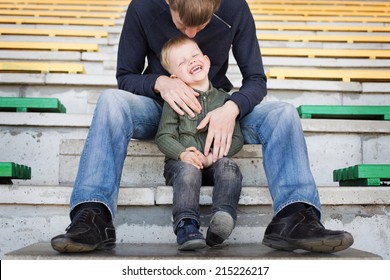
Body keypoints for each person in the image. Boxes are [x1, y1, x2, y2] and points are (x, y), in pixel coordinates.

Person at [51, 0, 354, 253]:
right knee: (110, 101)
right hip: (163, 109)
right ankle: (93, 216)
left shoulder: (235, 7)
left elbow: (256, 80)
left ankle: (294, 217)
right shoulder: (143, 6)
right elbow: (126, 75)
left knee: (284, 113)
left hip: (219, 107)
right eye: (183, 26)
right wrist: (160, 83)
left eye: (203, 24)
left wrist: (232, 108)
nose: (193, 33)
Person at [155, 35, 244, 250]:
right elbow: (164, 136)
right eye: (183, 61)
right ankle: (187, 224)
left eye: (194, 56)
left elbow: (237, 138)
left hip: (213, 161)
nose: (191, 61)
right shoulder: (174, 100)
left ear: (206, 59)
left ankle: (222, 219)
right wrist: (183, 154)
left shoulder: (225, 101)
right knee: (188, 171)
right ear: (174, 76)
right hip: (182, 163)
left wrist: (213, 156)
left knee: (230, 167)